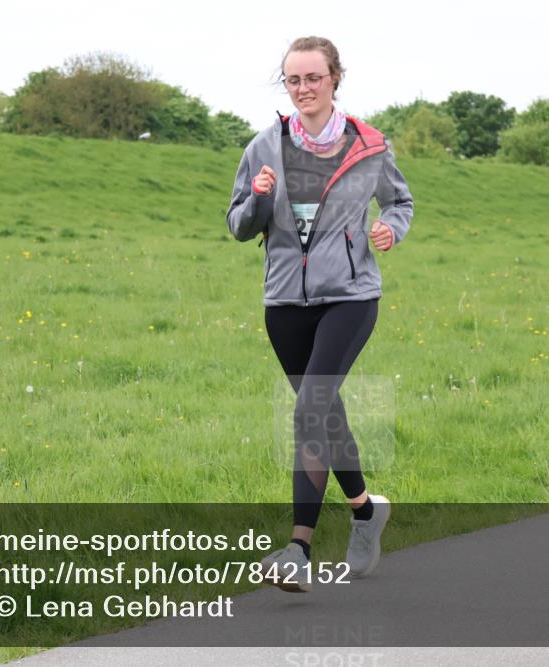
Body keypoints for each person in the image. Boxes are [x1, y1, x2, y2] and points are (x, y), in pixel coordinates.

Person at [225, 36, 414, 593]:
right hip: (284, 302)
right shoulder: (264, 146)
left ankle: (297, 550)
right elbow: (238, 224)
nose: (303, 89)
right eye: (293, 80)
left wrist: (390, 229)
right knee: (325, 414)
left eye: (313, 78)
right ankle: (364, 511)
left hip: (350, 295)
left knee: (311, 407)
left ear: (335, 79)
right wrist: (259, 197)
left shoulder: (369, 146)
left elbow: (399, 202)